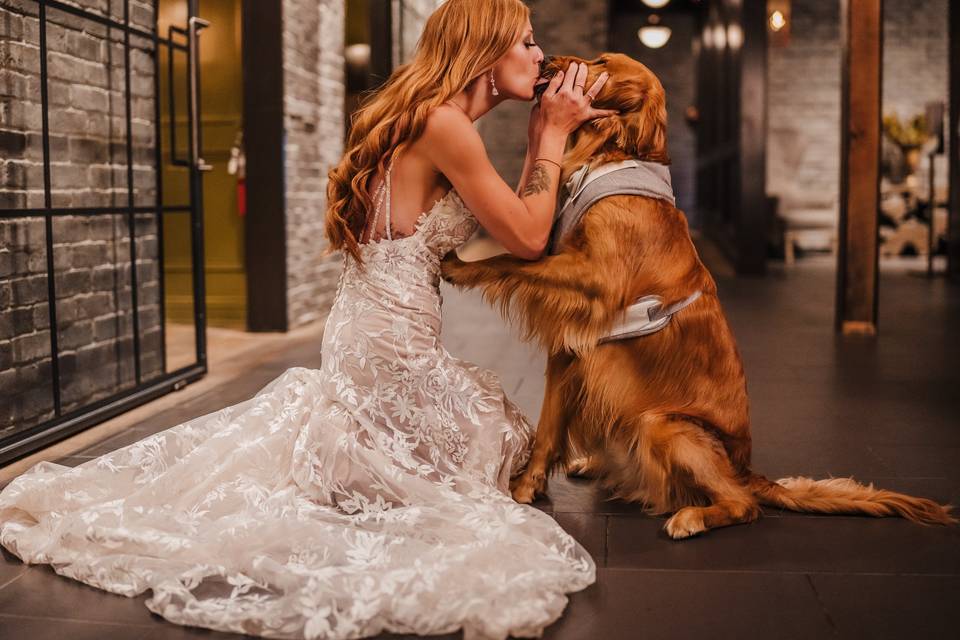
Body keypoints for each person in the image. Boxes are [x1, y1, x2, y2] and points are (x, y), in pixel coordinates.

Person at [0, 1, 615, 638]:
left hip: (365, 337)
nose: (540, 55)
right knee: (494, 442)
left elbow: (488, 230)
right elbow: (527, 236)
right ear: (486, 51)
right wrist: (550, 134)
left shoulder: (431, 119)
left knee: (498, 433)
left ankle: (361, 447)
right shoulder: (446, 124)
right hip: (387, 351)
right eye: (527, 41)